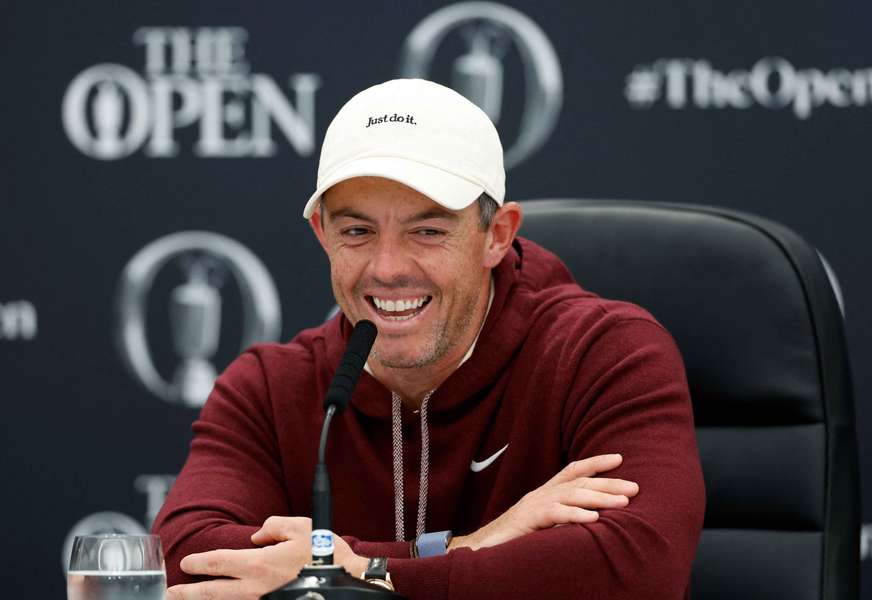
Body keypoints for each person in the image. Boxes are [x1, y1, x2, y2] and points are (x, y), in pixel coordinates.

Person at [155, 79, 705, 600]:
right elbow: (184, 562)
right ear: (322, 234)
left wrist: (364, 576)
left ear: (498, 235)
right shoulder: (269, 386)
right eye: (357, 231)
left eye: (428, 231)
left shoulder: (606, 354)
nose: (388, 269)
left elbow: (638, 572)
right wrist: (468, 546)